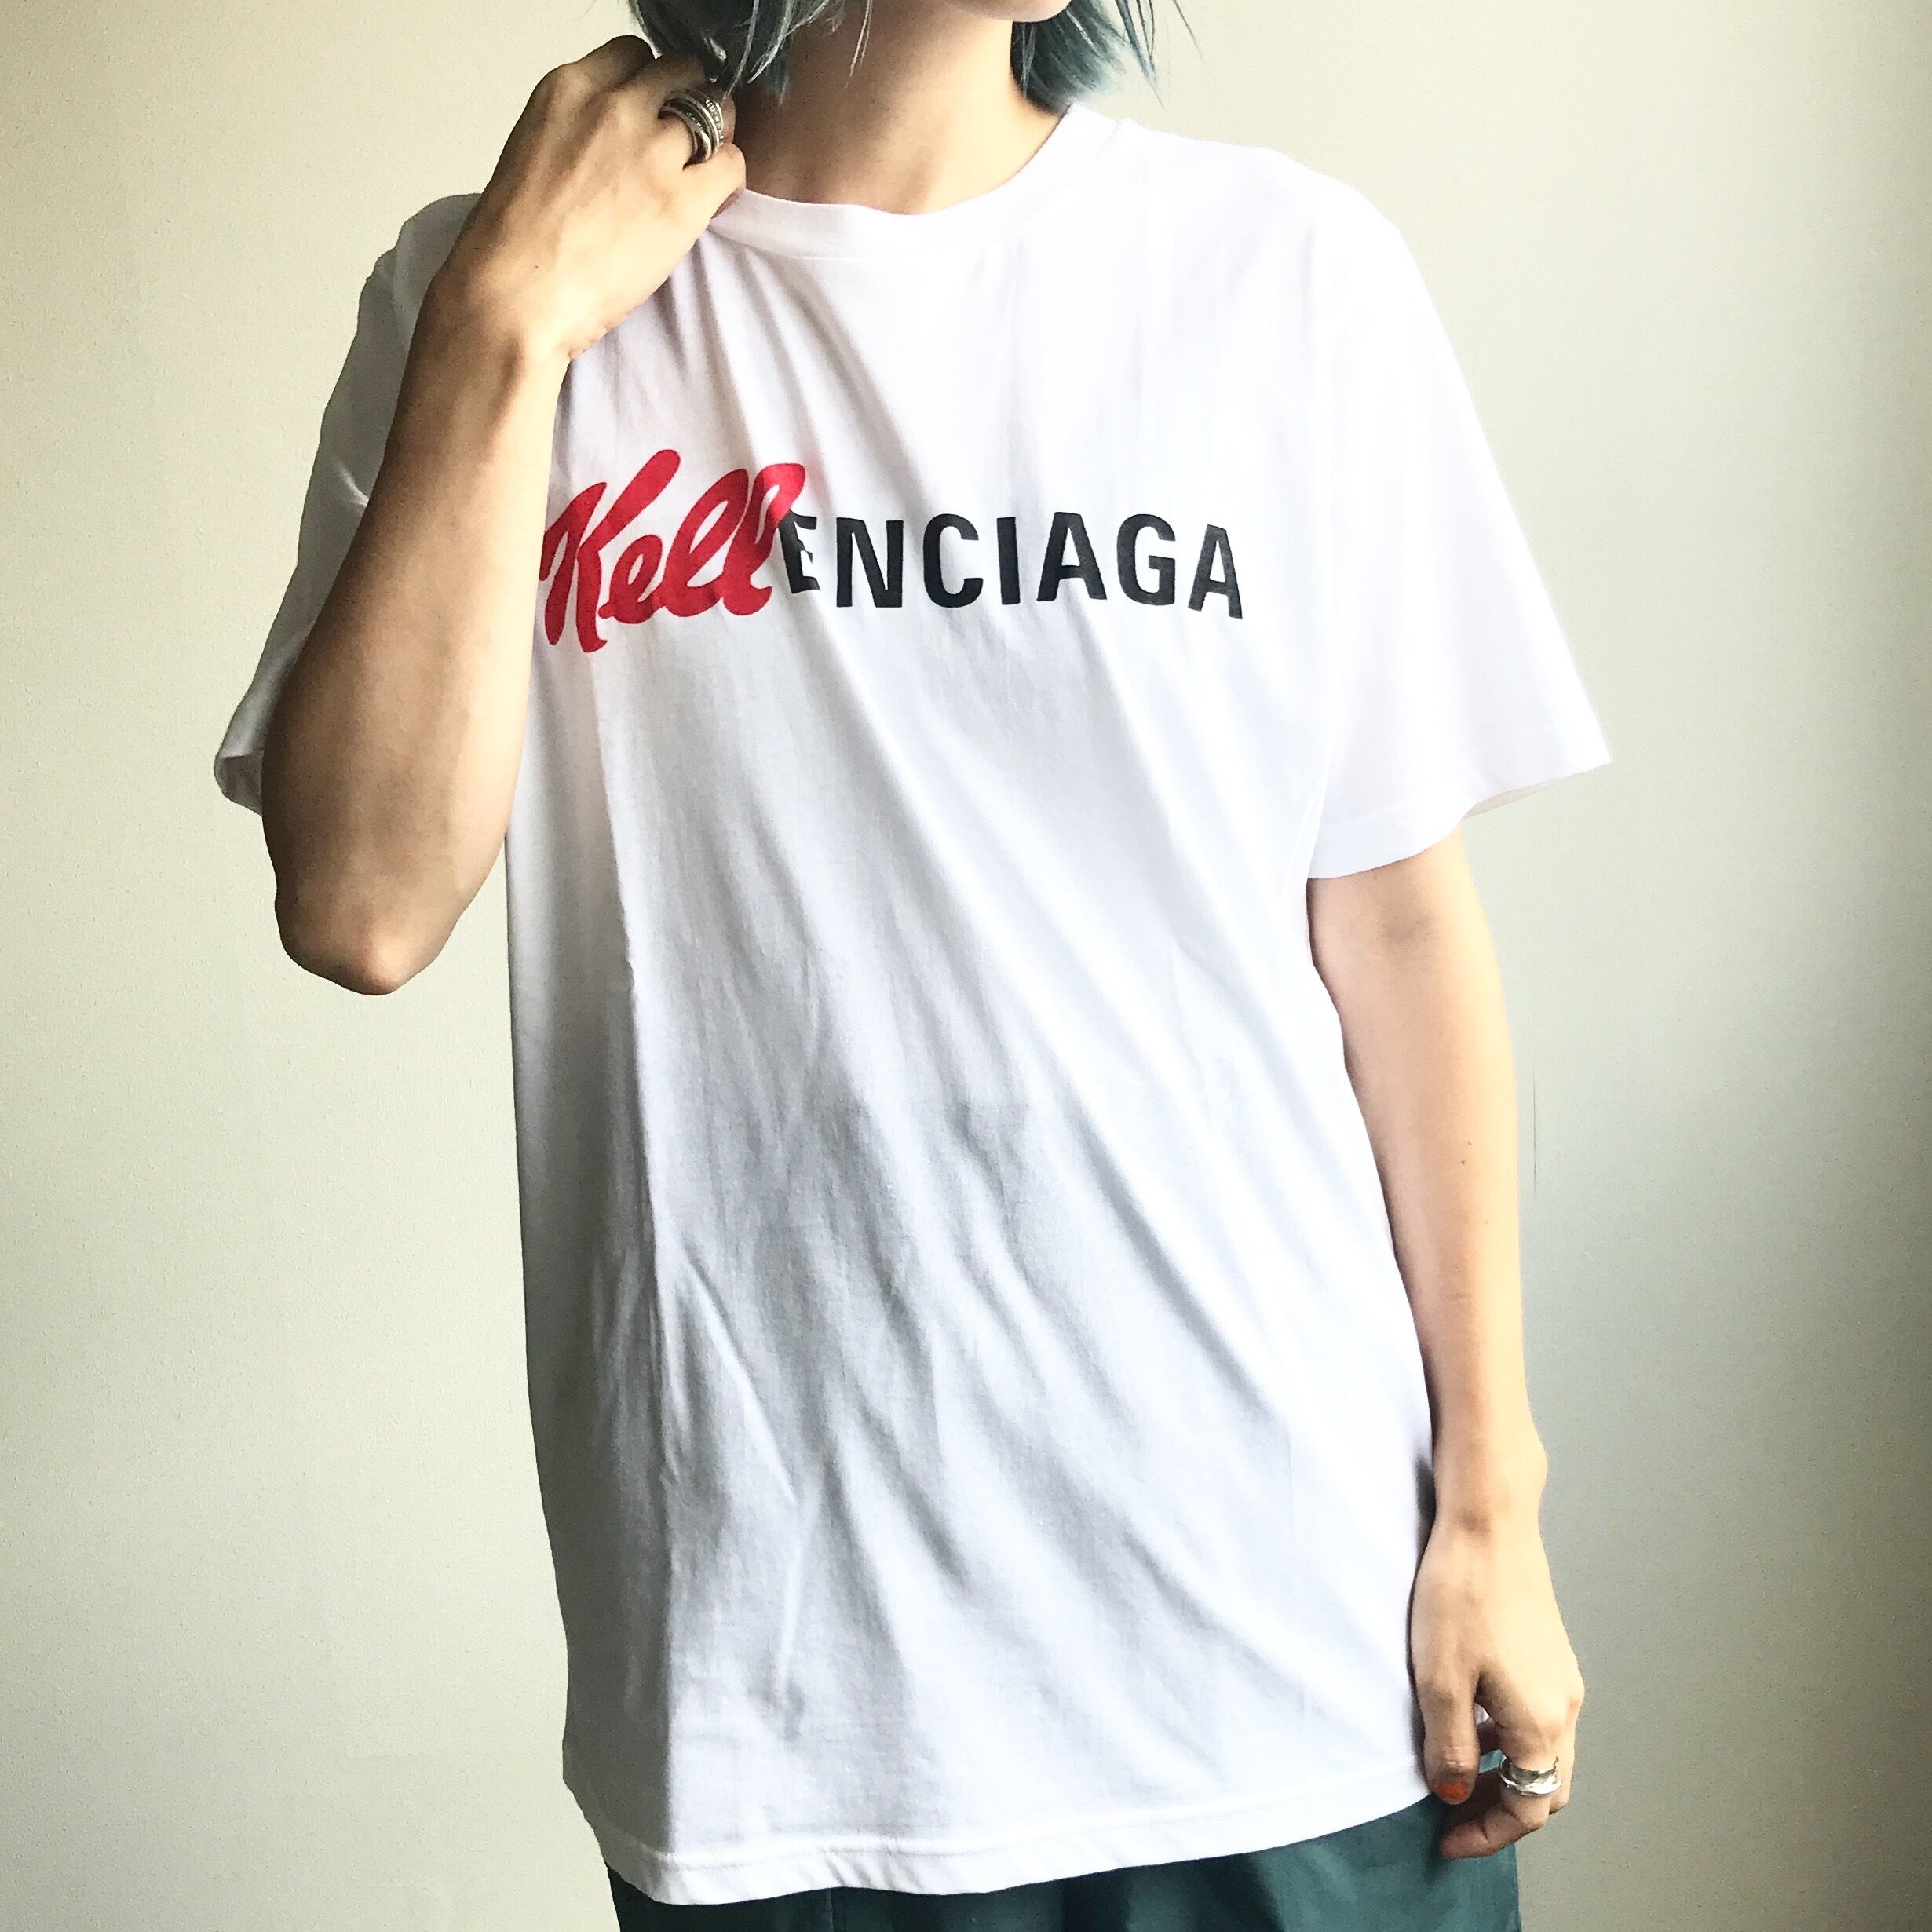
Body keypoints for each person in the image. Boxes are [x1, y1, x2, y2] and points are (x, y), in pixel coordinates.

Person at [212, 3, 1608, 1927]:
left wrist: (1493, 1507)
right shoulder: (490, 292)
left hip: (1289, 1650)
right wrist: (503, 327)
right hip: (780, 1710)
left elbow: (1395, 929)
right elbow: (362, 901)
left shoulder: (1281, 272)